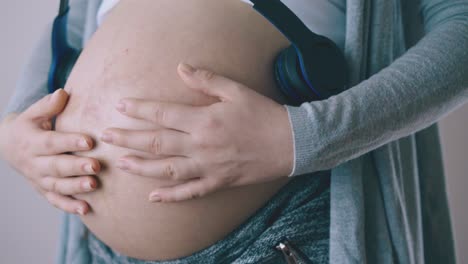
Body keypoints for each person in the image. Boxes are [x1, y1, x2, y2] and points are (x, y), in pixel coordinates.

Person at [0, 0, 467, 263]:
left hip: (281, 235)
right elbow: (70, 31)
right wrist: (14, 127)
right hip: (102, 250)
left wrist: (301, 138)